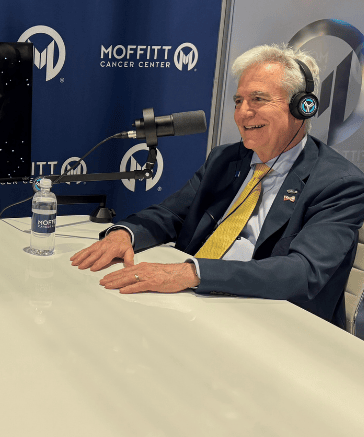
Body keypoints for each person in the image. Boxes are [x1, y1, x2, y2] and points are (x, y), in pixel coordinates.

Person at [70, 43, 364, 328]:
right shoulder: (225, 159)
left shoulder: (339, 183)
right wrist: (126, 233)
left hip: (274, 321)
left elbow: (304, 271)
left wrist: (191, 273)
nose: (242, 113)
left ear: (302, 107)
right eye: (238, 101)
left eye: (258, 99)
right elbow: (171, 214)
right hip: (195, 305)